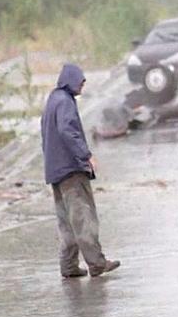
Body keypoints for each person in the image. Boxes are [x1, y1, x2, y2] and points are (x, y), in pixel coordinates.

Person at [41, 64, 120, 279]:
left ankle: (68, 266)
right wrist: (85, 155)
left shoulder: (53, 100)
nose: (82, 86)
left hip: (55, 170)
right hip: (71, 170)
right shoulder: (65, 102)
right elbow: (67, 131)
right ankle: (96, 264)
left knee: (66, 222)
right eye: (81, 82)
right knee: (83, 217)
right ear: (71, 80)